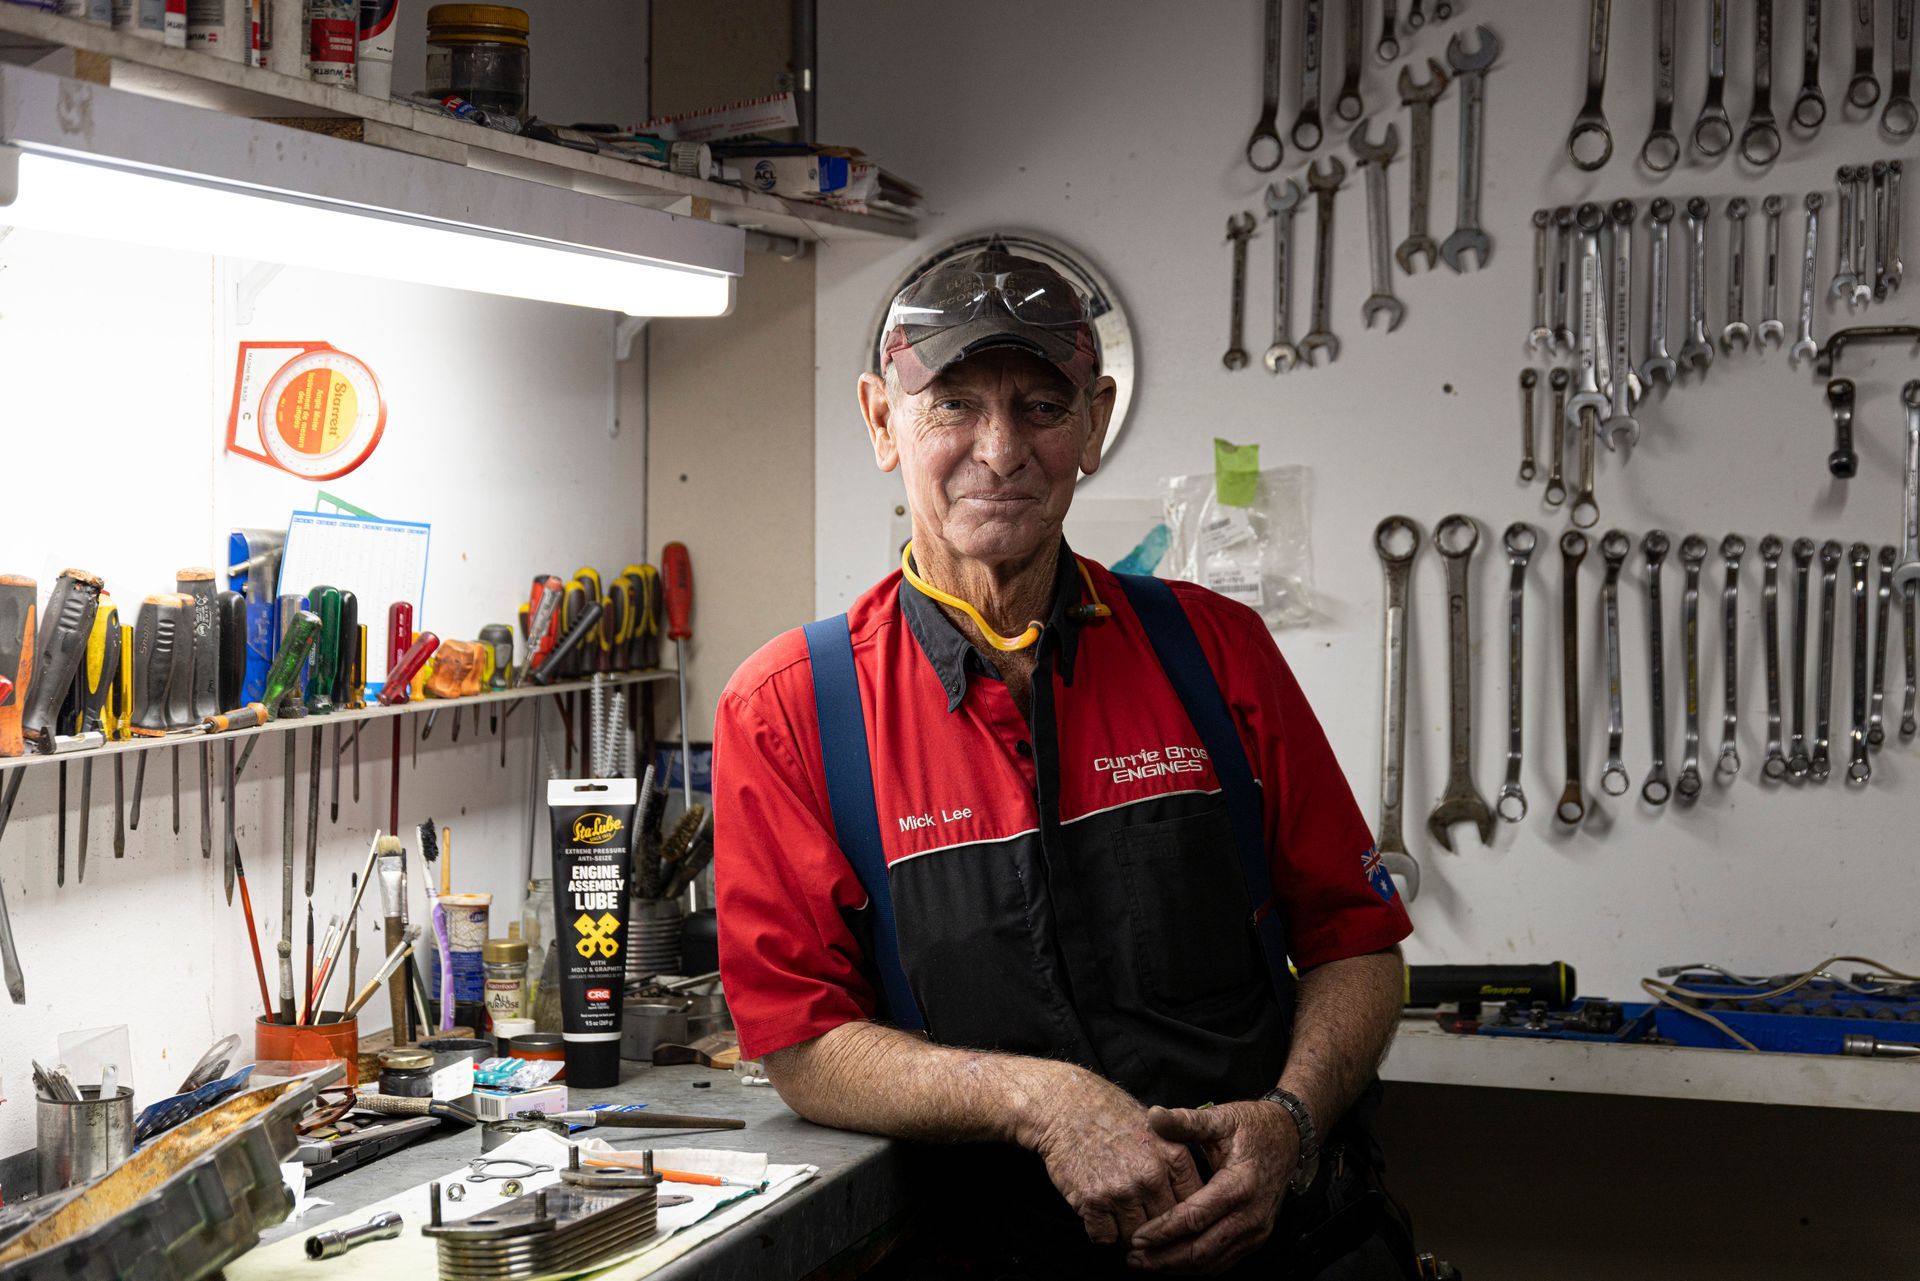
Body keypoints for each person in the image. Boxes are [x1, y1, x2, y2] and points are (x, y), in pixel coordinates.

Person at [714, 248, 1417, 1278]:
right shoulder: (791, 710)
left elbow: (1357, 944)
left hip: (1278, 1247)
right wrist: (1042, 1103)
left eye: (1041, 406)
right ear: (881, 421)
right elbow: (802, 1043)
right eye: (953, 403)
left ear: (1093, 422)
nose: (999, 449)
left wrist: (1289, 1125)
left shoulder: (1217, 653)